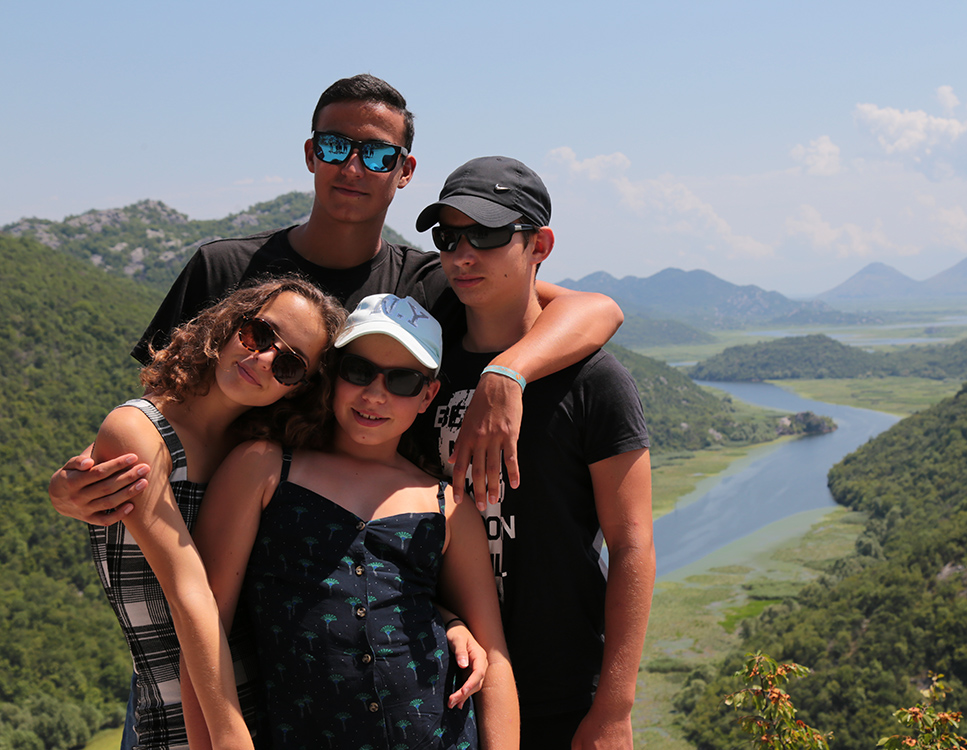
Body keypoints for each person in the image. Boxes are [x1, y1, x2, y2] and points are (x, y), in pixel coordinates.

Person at [49, 73, 623, 527]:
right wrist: (76, 483)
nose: (353, 167)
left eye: (376, 155)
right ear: (310, 154)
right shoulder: (223, 269)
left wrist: (508, 374)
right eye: (335, 146)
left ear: (404, 172)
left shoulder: (425, 284)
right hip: (211, 551)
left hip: (353, 570)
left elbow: (596, 308)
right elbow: (159, 411)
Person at [182, 294, 517, 749]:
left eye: (402, 381)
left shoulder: (447, 505)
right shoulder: (262, 469)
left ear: (428, 396)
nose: (375, 394)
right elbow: (203, 630)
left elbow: (493, 658)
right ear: (333, 374)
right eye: (358, 371)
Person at [412, 157, 656, 749]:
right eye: (449, 237)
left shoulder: (593, 381)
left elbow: (632, 545)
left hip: (560, 689)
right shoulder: (416, 367)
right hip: (443, 681)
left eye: (490, 234)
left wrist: (613, 710)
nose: (463, 254)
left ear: (539, 244)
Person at [86, 277, 347, 750]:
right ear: (230, 325)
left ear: (296, 390)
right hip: (183, 724)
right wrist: (229, 735)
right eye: (259, 334)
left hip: (276, 712)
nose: (263, 359)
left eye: (288, 365)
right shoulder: (137, 432)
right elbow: (190, 591)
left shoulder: (258, 455)